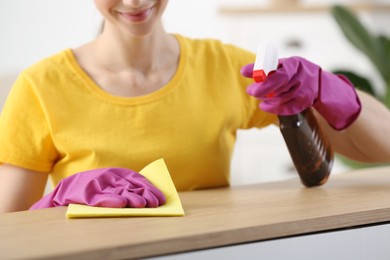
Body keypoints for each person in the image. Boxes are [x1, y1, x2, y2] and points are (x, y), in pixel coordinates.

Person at [1, 0, 390, 213]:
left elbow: (382, 148)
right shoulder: (40, 87)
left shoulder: (225, 68)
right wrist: (59, 198)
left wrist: (331, 89)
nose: (135, 1)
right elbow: (10, 230)